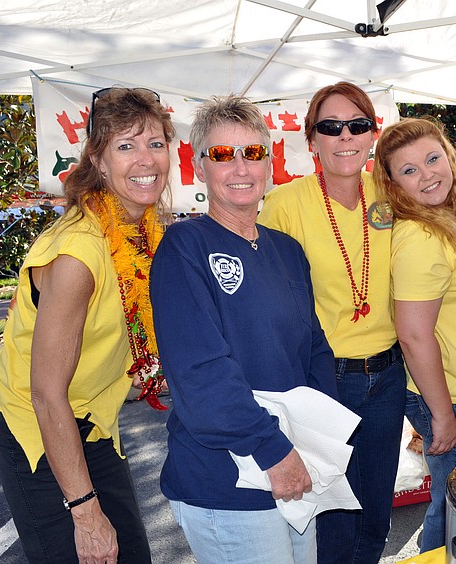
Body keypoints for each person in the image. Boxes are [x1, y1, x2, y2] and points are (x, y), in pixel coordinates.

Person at [0, 87, 173, 563]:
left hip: (93, 423)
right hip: (37, 426)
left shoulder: (145, 229)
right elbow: (46, 392)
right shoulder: (77, 253)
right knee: (92, 548)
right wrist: (84, 514)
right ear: (99, 161)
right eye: (125, 146)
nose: (145, 158)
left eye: (155, 142)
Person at [149, 95, 337, 563]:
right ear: (198, 167)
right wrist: (273, 449)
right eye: (221, 154)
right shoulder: (183, 249)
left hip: (293, 462)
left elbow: (314, 348)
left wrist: (317, 437)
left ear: (270, 164)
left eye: (252, 153)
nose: (239, 167)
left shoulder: (287, 250)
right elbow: (200, 373)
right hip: (227, 482)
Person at [258, 81, 406, 564]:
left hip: (387, 376)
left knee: (376, 515)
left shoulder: (391, 194)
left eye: (357, 125)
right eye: (331, 127)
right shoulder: (285, 205)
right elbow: (270, 307)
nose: (346, 136)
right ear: (312, 139)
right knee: (334, 522)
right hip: (325, 382)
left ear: (372, 135)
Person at [373, 118, 456, 552]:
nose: (427, 175)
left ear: (450, 158)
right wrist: (441, 414)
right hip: (454, 395)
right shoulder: (419, 236)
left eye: (433, 159)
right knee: (454, 506)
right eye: (409, 170)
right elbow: (412, 336)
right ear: (392, 184)